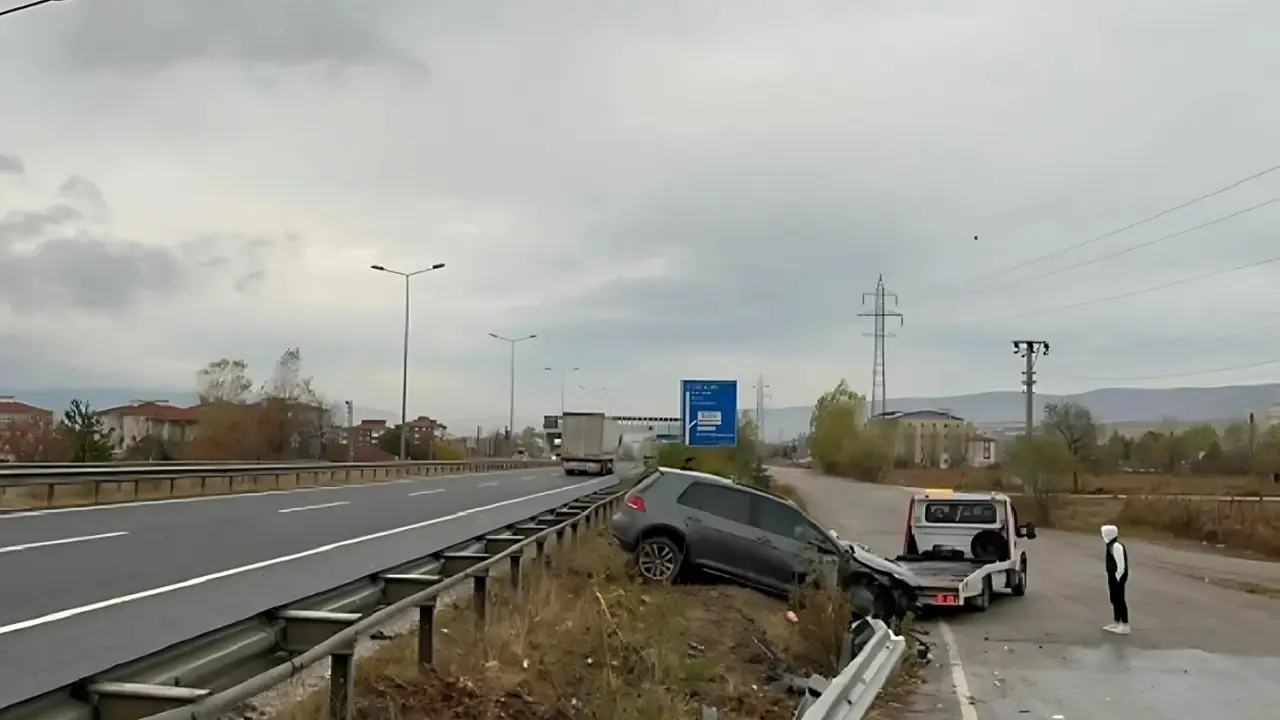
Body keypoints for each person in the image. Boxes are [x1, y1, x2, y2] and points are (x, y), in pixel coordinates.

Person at [1101, 524, 1130, 635]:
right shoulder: (1109, 545)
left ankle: (1125, 624)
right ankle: (1117, 621)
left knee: (1120, 599)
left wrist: (1118, 576)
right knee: (1114, 599)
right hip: (1112, 575)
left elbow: (1121, 564)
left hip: (1118, 576)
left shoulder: (1116, 546)